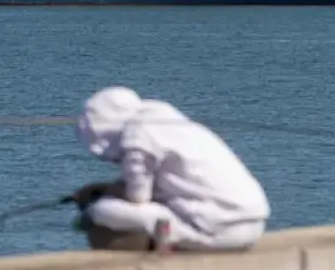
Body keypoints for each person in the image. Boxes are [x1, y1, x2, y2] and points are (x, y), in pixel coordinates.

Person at [71, 86, 270, 252]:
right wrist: (111, 188)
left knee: (103, 210)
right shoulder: (171, 121)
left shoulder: (137, 137)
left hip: (219, 230)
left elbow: (138, 198)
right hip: (254, 225)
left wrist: (93, 208)